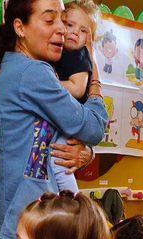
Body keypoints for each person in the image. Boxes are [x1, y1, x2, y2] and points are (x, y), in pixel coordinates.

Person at [0, 0, 108, 239]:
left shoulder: (16, 68)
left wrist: (85, 152)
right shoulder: (32, 73)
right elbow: (93, 127)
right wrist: (94, 80)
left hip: (29, 221)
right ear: (20, 27)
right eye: (50, 20)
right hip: (35, 226)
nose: (61, 29)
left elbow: (53, 137)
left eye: (62, 19)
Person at [48, 0, 102, 196]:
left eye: (83, 30)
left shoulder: (78, 55)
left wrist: (49, 83)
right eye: (69, 25)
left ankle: (72, 200)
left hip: (71, 123)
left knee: (60, 163)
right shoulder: (61, 53)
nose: (74, 32)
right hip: (64, 121)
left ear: (89, 39)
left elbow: (78, 89)